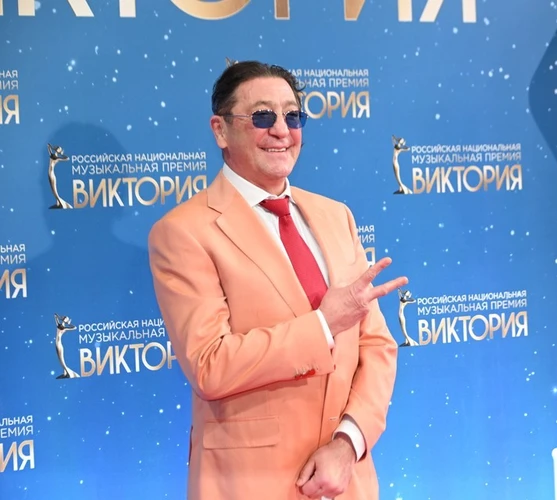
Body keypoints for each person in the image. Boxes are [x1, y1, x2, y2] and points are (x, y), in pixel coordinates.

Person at [147, 60, 406, 500]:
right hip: (251, 484)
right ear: (220, 130)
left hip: (346, 480)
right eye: (263, 116)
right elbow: (210, 365)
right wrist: (323, 325)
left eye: (293, 116)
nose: (282, 130)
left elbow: (376, 346)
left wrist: (348, 443)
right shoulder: (183, 232)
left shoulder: (336, 215)